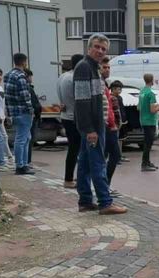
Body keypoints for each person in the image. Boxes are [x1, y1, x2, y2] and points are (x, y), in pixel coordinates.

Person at [73, 33, 126, 215]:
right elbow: (82, 101)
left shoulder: (94, 68)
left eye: (103, 49)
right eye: (97, 47)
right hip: (93, 127)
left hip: (96, 125)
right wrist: (90, 129)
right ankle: (105, 202)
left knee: (86, 162)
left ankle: (85, 201)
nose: (100, 51)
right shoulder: (84, 67)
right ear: (89, 48)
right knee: (98, 163)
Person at [3, 53, 35, 175]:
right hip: (23, 111)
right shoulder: (21, 76)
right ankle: (21, 165)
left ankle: (24, 164)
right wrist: (31, 110)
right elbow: (25, 96)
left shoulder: (8, 75)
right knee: (22, 139)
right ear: (24, 62)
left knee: (26, 137)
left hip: (13, 112)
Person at [58, 54, 84, 188]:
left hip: (65, 116)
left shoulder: (62, 76)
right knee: (76, 150)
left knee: (73, 149)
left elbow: (60, 96)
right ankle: (69, 179)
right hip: (75, 118)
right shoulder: (75, 78)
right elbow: (80, 99)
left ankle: (70, 177)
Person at [100, 58, 122, 197]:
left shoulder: (105, 84)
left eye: (109, 67)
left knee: (105, 156)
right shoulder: (101, 85)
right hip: (107, 127)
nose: (107, 69)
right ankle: (104, 186)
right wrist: (112, 125)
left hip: (109, 126)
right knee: (114, 155)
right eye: (104, 67)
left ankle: (104, 186)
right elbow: (106, 110)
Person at [0, 68, 12, 171]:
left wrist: (5, 115)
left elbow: (2, 104)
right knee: (0, 139)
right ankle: (0, 162)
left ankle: (9, 157)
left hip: (1, 116)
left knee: (4, 137)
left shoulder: (0, 87)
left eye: (0, 74)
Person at [138, 73, 159, 172]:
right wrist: (158, 106)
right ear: (152, 80)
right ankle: (144, 163)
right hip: (150, 121)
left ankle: (147, 161)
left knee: (147, 142)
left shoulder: (141, 92)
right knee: (148, 143)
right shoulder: (151, 93)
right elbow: (152, 110)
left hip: (143, 120)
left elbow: (138, 107)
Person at [24, 69, 42, 166]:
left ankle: (25, 161)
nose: (31, 78)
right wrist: (37, 113)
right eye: (30, 76)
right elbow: (35, 105)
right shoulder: (28, 88)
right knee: (28, 139)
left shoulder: (28, 88)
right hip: (31, 116)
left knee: (26, 139)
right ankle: (27, 161)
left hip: (29, 116)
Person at [110, 80, 128, 166]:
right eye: (118, 89)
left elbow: (122, 109)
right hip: (115, 122)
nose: (119, 91)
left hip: (121, 122)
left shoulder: (120, 98)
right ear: (113, 89)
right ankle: (115, 158)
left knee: (120, 140)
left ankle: (119, 155)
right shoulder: (111, 98)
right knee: (115, 141)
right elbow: (114, 111)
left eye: (120, 89)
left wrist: (123, 120)